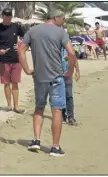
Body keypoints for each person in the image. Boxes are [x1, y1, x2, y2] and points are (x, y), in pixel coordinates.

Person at [18, 10, 76, 156]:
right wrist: (69, 72)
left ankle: (36, 141)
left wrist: (26, 69)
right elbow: (72, 53)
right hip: (56, 77)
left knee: (39, 108)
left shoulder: (33, 30)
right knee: (56, 111)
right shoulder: (60, 32)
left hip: (39, 77)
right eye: (62, 18)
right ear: (55, 17)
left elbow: (21, 50)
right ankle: (55, 147)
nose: (63, 21)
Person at [0, 8, 25, 113]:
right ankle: (9, 105)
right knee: (6, 83)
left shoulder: (16, 26)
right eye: (5, 15)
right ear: (2, 16)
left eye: (9, 15)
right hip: (3, 60)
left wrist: (20, 46)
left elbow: (25, 38)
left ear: (11, 16)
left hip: (16, 59)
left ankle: (16, 106)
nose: (7, 17)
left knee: (15, 83)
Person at [61, 48, 80, 125]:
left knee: (69, 95)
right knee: (60, 96)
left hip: (68, 75)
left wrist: (77, 71)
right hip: (58, 75)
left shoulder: (69, 47)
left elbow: (74, 58)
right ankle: (62, 115)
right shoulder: (54, 46)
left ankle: (70, 116)